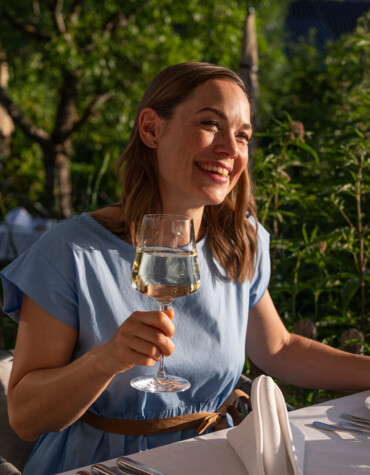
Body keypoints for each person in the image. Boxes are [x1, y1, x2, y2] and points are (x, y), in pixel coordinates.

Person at [1, 62, 369, 475]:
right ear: (151, 130)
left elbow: (279, 348)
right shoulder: (69, 252)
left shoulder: (237, 240)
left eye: (243, 135)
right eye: (211, 124)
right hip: (101, 465)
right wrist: (107, 359)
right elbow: (24, 417)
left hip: (217, 459)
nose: (231, 148)